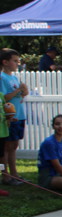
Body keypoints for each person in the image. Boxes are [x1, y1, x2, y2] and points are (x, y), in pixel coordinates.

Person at [1, 49, 29, 184]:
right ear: (5, 62)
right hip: (9, 117)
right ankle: (5, 175)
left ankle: (14, 174)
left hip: (19, 115)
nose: (18, 64)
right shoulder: (2, 78)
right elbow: (4, 97)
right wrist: (18, 90)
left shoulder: (14, 78)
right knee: (6, 148)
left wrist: (24, 91)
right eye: (15, 61)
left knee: (14, 146)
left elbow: (20, 96)